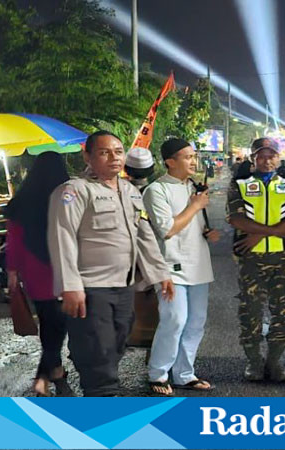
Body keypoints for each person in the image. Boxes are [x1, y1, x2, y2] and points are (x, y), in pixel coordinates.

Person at [48, 130, 174, 397]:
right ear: (88, 156)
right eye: (105, 152)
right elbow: (62, 238)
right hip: (91, 288)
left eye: (118, 152)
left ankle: (96, 379)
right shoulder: (75, 191)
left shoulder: (129, 191)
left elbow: (144, 235)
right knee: (99, 353)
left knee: (116, 345)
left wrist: (161, 273)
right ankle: (103, 403)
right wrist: (70, 287)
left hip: (124, 287)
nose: (114, 158)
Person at [142, 138, 219, 396]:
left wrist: (208, 232)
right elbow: (167, 229)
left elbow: (193, 225)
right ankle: (158, 373)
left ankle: (184, 374)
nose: (193, 161)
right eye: (187, 157)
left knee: (196, 322)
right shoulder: (156, 190)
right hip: (170, 267)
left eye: (194, 156)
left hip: (198, 265)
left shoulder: (194, 188)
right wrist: (195, 206)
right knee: (174, 319)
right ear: (169, 161)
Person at [226, 137, 285, 382]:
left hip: (284, 258)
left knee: (282, 311)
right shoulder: (239, 184)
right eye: (262, 155)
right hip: (251, 258)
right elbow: (236, 219)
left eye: (272, 155)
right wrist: (271, 232)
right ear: (253, 158)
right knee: (250, 310)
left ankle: (274, 361)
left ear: (279, 158)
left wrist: (257, 234)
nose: (267, 160)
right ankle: (254, 362)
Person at [5, 152, 74, 397]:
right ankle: (43, 377)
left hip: (33, 270)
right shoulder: (67, 196)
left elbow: (13, 240)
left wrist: (12, 272)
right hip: (62, 267)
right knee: (60, 324)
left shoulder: (22, 200)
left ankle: (54, 370)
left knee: (49, 321)